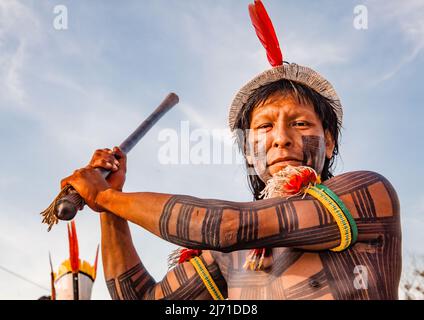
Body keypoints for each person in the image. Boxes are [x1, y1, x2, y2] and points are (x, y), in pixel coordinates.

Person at [60, 0, 401, 300]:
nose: (281, 138)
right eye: (265, 126)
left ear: (330, 141)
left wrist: (104, 196)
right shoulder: (230, 256)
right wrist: (110, 209)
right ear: (249, 148)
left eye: (300, 124)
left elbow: (227, 226)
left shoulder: (367, 196)